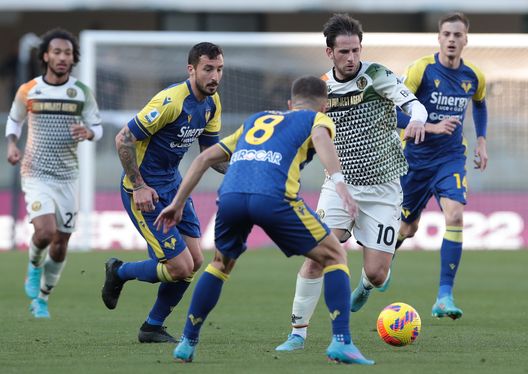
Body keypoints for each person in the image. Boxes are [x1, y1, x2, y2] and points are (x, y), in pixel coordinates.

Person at [155, 75, 374, 365]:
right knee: (334, 255)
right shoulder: (318, 119)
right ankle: (341, 342)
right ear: (324, 106)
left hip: (231, 196)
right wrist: (340, 184)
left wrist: (177, 203)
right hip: (274, 197)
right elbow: (321, 137)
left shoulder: (257, 119)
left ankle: (187, 342)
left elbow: (204, 158)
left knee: (219, 264)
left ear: (289, 103)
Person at [275, 14, 428, 351]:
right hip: (339, 186)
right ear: (329, 53)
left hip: (384, 188)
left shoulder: (376, 75)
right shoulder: (321, 87)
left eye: (355, 50)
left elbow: (415, 106)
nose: (350, 58)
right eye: (343, 52)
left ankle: (366, 284)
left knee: (377, 273)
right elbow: (306, 130)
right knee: (318, 255)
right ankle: (297, 333)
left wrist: (417, 120)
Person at [101, 42, 227, 344]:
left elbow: (210, 152)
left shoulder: (212, 103)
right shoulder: (171, 101)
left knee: (194, 263)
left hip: (174, 186)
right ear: (191, 69)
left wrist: (244, 169)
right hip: (143, 190)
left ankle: (152, 327)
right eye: (208, 69)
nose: (215, 76)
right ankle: (119, 271)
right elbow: (123, 139)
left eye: (219, 69)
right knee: (179, 266)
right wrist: (140, 186)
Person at [395, 12, 488, 320]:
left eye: (457, 35)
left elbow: (480, 102)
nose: (451, 39)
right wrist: (430, 127)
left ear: (465, 40)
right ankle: (374, 274)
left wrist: (482, 140)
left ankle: (444, 296)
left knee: (456, 214)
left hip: (450, 160)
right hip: (416, 161)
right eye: (446, 34)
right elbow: (393, 111)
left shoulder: (474, 76)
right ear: (438, 38)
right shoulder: (421, 70)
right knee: (406, 229)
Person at [5, 28, 103, 318]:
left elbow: (97, 128)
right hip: (35, 172)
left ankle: (43, 298)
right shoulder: (29, 89)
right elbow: (14, 122)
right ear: (46, 56)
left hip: (68, 177)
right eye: (57, 52)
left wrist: (88, 132)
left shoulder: (81, 92)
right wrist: (12, 145)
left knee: (60, 245)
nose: (62, 57)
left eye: (68, 53)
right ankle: (33, 268)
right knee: (45, 232)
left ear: (74, 59)